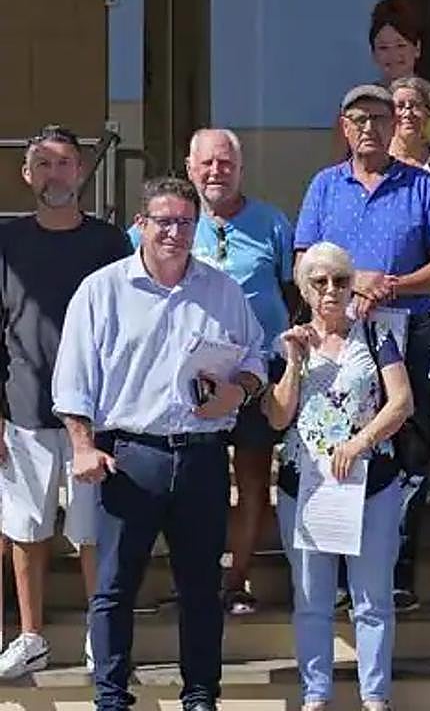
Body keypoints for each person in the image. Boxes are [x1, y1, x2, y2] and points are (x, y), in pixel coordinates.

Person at [52, 177, 266, 711]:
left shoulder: (222, 290)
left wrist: (237, 390)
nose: (174, 232)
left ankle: (200, 697)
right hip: (130, 456)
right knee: (115, 589)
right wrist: (82, 445)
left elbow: (256, 359)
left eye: (185, 222)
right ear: (141, 225)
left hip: (202, 457)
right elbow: (73, 381)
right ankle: (111, 698)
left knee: (200, 590)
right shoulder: (101, 291)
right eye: (163, 221)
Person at [297, 83, 430, 612]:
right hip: (336, 333)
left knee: (405, 449)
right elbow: (301, 259)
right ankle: (342, 578)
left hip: (404, 327)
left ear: (396, 127)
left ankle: (397, 573)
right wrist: (348, 283)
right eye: (359, 118)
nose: (369, 127)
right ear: (344, 127)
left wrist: (392, 282)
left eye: (380, 118)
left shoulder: (420, 184)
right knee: (337, 442)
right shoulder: (324, 185)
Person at [126, 128, 295, 617]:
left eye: (226, 163)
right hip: (177, 379)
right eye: (207, 164)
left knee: (252, 479)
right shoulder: (162, 224)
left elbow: (292, 293)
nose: (217, 171)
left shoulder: (272, 223)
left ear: (240, 169)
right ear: (189, 166)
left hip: (250, 373)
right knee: (183, 486)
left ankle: (236, 581)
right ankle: (190, 581)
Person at [0, 126, 130, 678]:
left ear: (82, 172)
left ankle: (99, 640)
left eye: (66, 164)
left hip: (94, 417)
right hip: (22, 410)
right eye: (45, 165)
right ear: (28, 175)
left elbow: (129, 330)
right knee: (26, 530)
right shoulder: (6, 240)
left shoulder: (109, 244)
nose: (56, 175)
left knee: (91, 533)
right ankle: (32, 637)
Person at [261, 242, 414, 711]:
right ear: (305, 289)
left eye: (340, 281)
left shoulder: (376, 335)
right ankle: (316, 694)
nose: (331, 290)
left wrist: (360, 441)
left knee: (372, 598)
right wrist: (293, 362)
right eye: (319, 282)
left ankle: (374, 696)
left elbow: (402, 402)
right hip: (305, 488)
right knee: (312, 598)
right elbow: (276, 416)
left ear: (352, 285)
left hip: (371, 483)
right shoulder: (288, 341)